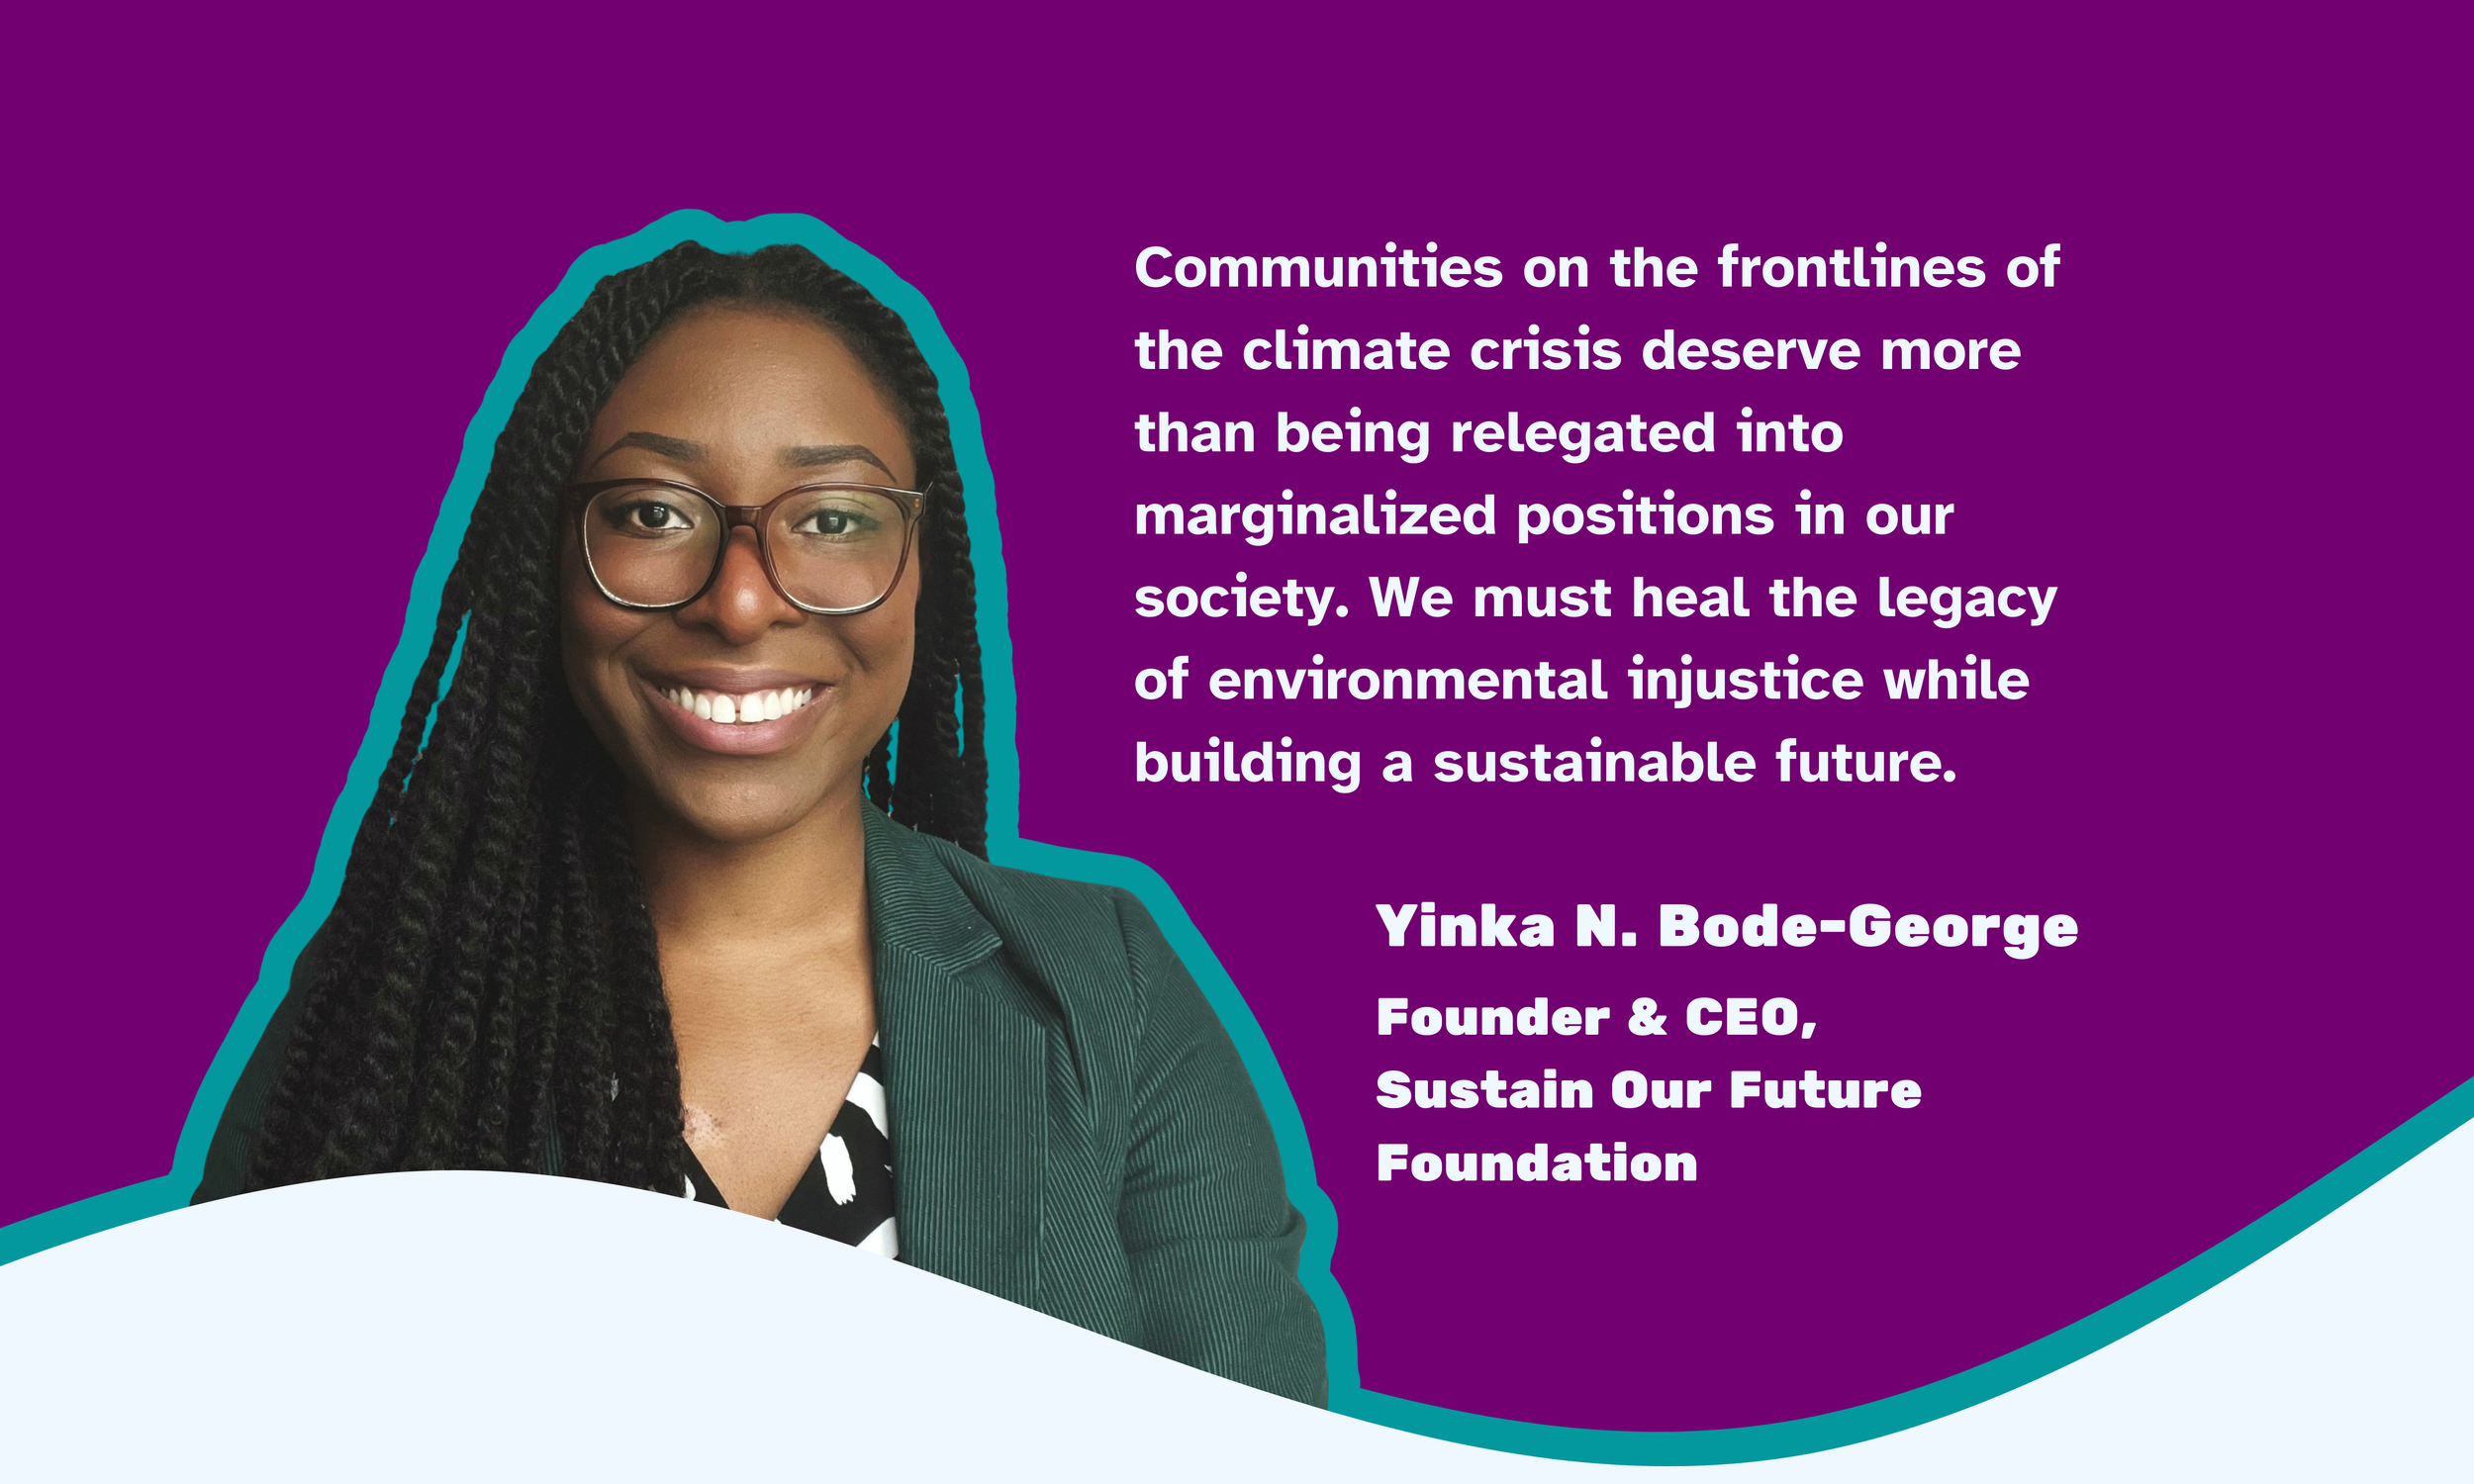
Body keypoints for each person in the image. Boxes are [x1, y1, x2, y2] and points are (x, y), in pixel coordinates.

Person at [194, 241, 1327, 1405]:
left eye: (832, 520)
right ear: (552, 568)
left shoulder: (1106, 988)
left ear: (921, 568)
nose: (740, 600)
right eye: (650, 511)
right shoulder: (393, 1009)